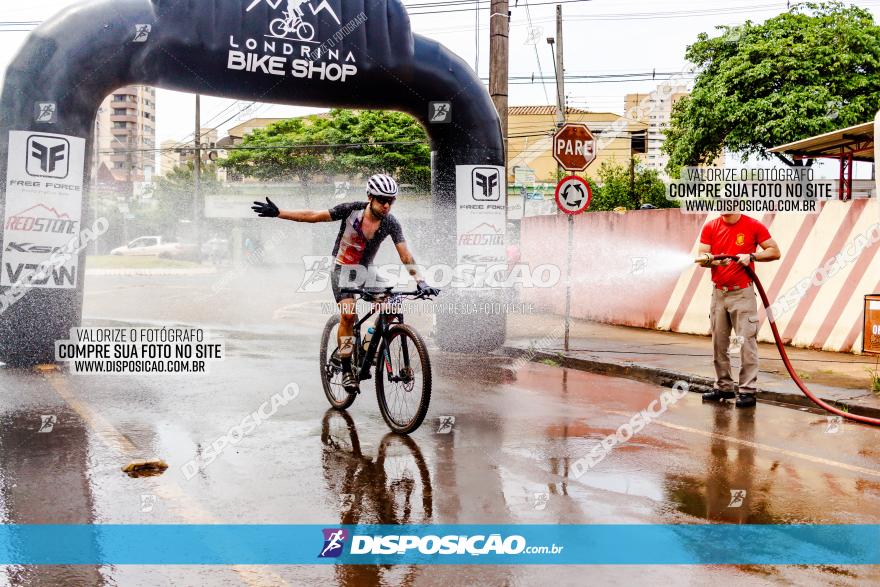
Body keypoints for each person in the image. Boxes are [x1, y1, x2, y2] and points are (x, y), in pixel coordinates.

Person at [251, 173, 439, 392]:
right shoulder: (351, 210)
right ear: (370, 197)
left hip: (366, 271)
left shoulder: (390, 222)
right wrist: (279, 213)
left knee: (391, 307)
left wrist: (421, 280)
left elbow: (405, 255)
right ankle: (348, 368)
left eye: (391, 201)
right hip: (342, 269)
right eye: (382, 200)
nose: (387, 205)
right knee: (348, 315)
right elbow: (314, 216)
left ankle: (369, 345)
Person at [695, 213, 781, 408]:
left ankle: (747, 391)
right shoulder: (711, 227)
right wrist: (716, 261)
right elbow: (702, 257)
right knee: (719, 343)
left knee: (746, 343)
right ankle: (724, 387)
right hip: (718, 293)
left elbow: (775, 251)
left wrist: (752, 256)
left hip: (742, 294)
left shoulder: (753, 226)